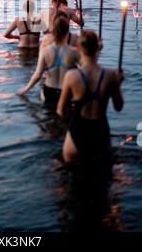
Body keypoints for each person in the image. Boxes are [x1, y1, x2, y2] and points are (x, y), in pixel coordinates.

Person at [57, 30, 124, 163]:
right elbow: (118, 107)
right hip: (100, 134)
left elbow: (60, 110)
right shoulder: (110, 76)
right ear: (97, 47)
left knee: (68, 178)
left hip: (77, 132)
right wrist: (118, 83)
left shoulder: (72, 76)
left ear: (78, 48)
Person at [17, 15, 79, 104]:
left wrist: (26, 89)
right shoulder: (74, 52)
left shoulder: (45, 51)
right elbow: (85, 69)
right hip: (66, 91)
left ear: (53, 30)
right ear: (67, 31)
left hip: (49, 91)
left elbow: (37, 75)